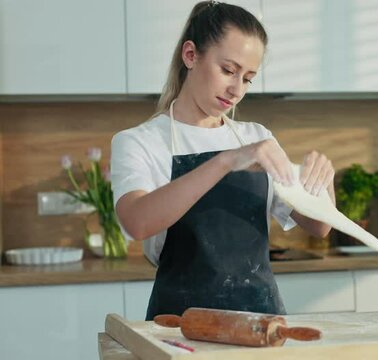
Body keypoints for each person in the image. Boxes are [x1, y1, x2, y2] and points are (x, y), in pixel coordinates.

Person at [110, 1, 335, 320]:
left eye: (247, 78)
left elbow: (319, 225)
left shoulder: (256, 137)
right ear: (190, 55)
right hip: (180, 326)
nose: (236, 89)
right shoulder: (140, 141)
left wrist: (323, 183)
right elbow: (137, 222)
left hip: (261, 322)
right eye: (228, 70)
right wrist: (225, 161)